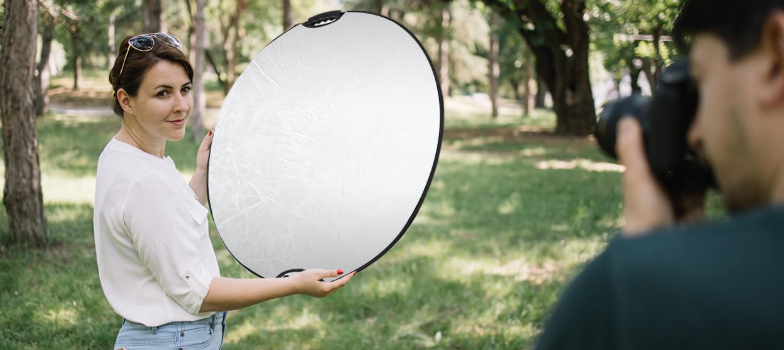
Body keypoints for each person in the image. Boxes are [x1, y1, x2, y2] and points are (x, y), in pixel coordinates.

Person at [534, 1, 784, 349]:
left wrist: (652, 268)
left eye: (701, 80)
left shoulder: (629, 296)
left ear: (776, 56)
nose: (695, 135)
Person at [93, 33, 356, 350]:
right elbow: (198, 294)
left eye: (185, 89)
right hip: (171, 340)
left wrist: (202, 172)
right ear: (126, 100)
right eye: (163, 93)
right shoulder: (144, 179)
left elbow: (166, 226)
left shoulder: (123, 155)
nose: (181, 105)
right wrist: (292, 284)